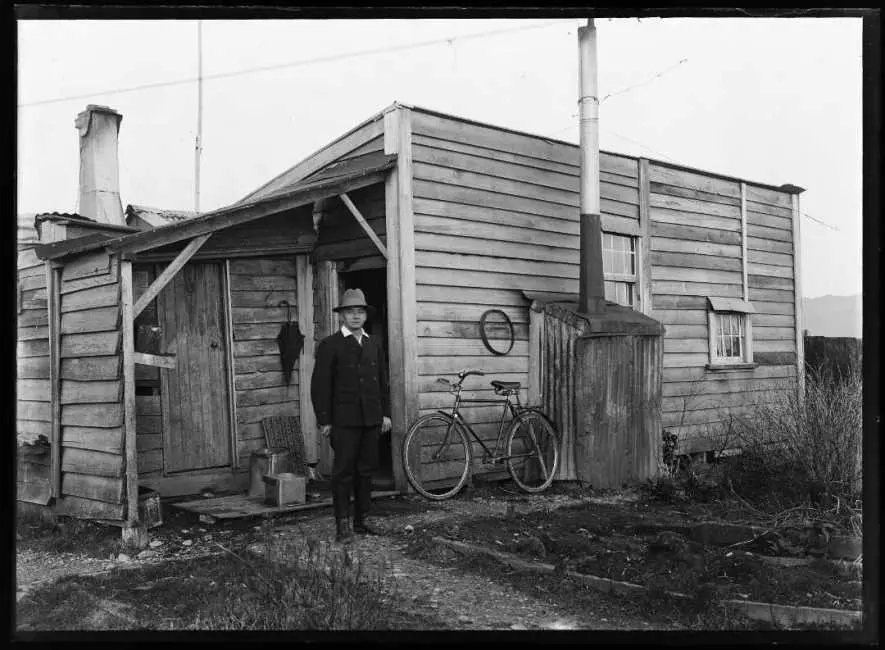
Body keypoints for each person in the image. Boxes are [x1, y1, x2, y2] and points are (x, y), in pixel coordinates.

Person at [311, 288, 392, 543]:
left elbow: (382, 382)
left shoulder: (373, 342)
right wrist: (325, 420)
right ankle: (342, 524)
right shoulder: (330, 345)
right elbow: (320, 385)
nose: (355, 317)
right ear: (342, 316)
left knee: (366, 470)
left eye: (360, 312)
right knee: (344, 472)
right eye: (350, 312)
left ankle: (361, 520)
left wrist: (385, 414)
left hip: (371, 419)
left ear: (366, 316)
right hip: (344, 421)